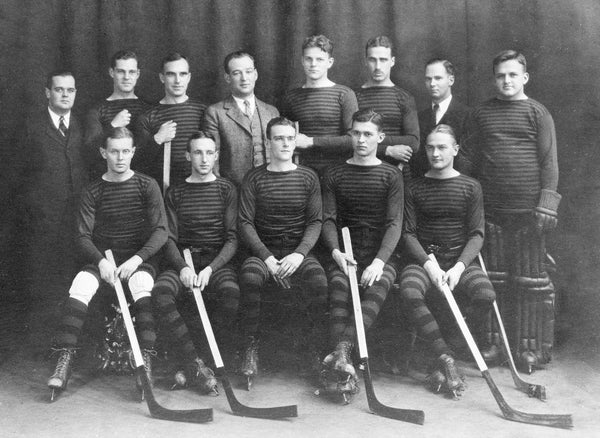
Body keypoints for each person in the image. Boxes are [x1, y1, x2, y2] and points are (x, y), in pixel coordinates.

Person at [47, 127, 167, 399]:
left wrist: (137, 259)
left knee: (141, 283)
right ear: (103, 153)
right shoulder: (93, 190)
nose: (120, 157)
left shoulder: (147, 185)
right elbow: (82, 235)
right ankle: (63, 362)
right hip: (105, 261)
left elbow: (161, 231)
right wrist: (100, 262)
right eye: (114, 151)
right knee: (81, 284)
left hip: (138, 260)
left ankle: (144, 363)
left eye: (126, 151)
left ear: (134, 152)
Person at [459, 50, 560, 372]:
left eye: (513, 75)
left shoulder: (538, 113)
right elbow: (468, 160)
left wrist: (546, 203)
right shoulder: (481, 113)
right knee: (494, 281)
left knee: (529, 282)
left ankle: (529, 350)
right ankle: (493, 344)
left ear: (524, 77)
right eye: (501, 75)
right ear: (494, 78)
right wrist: (465, 199)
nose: (506, 81)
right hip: (491, 211)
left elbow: (549, 162)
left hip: (530, 214)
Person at [398, 124, 495, 397]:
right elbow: (407, 233)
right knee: (409, 290)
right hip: (423, 260)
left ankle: (447, 347)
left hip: (457, 261)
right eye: (430, 147)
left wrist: (459, 266)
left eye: (442, 147)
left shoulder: (470, 186)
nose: (435, 153)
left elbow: (477, 234)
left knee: (486, 294)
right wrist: (428, 264)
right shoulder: (414, 187)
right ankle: (444, 355)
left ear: (455, 149)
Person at [238, 117, 328, 387]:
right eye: (278, 138)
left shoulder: (308, 176)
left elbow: (315, 222)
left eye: (290, 138)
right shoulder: (254, 177)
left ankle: (313, 350)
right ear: (268, 142)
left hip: (296, 252)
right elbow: (245, 222)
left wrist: (299, 254)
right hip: (262, 252)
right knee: (251, 278)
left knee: (319, 281)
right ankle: (249, 350)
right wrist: (266, 257)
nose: (285, 143)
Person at [320, 109, 403, 399]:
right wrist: (336, 253)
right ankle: (344, 363)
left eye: (368, 134)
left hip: (381, 254)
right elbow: (328, 219)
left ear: (380, 137)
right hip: (346, 252)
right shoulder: (334, 173)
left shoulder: (391, 174)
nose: (361, 139)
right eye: (356, 133)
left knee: (376, 288)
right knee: (340, 288)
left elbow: (395, 223)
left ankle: (341, 354)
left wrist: (380, 262)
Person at [152, 132, 239, 394]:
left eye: (209, 153)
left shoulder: (226, 189)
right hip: (184, 260)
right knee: (162, 292)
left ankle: (199, 363)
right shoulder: (175, 192)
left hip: (216, 261)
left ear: (215, 155)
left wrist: (211, 268)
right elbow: (169, 239)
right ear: (188, 156)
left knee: (231, 294)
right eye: (198, 153)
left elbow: (233, 238)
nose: (204, 159)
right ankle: (194, 363)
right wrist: (183, 268)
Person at [17, 70, 88, 309]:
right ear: (48, 92)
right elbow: (15, 177)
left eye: (70, 90)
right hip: (41, 223)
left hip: (76, 220)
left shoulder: (82, 125)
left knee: (73, 281)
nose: (65, 95)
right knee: (43, 285)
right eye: (59, 89)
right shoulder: (29, 127)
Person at [280, 35, 358, 174]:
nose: (313, 64)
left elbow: (353, 140)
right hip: (301, 172)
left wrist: (312, 141)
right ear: (302, 61)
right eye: (309, 59)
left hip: (339, 172)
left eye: (320, 59)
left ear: (330, 62)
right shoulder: (291, 97)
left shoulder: (345, 94)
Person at [203, 51, 279, 186]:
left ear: (255, 74)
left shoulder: (272, 112)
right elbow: (212, 160)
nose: (244, 78)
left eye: (248, 71)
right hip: (233, 190)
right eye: (237, 73)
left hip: (269, 188)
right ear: (227, 78)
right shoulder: (215, 113)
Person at [136, 52, 206, 188]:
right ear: (162, 77)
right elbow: (139, 164)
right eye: (171, 74)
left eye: (183, 74)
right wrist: (157, 139)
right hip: (165, 191)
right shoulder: (147, 117)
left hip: (200, 189)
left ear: (189, 77)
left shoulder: (204, 111)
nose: (177, 80)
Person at [355, 36, 419, 177]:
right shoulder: (353, 96)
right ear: (366, 61)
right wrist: (388, 150)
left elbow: (413, 142)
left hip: (398, 171)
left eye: (383, 60)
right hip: (361, 172)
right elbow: (349, 140)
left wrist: (371, 142)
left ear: (392, 61)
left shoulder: (405, 97)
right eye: (372, 60)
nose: (378, 66)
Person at [85, 50, 151, 179]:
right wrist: (113, 125)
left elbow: (150, 154)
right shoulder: (97, 110)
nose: (126, 77)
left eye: (131, 72)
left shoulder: (148, 109)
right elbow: (90, 152)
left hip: (142, 183)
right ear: (112, 72)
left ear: (137, 74)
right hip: (107, 183)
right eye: (121, 71)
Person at [412, 59, 471, 177]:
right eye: (428, 79)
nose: (432, 83)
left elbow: (468, 160)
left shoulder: (468, 115)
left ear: (451, 80)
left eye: (438, 78)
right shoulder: (419, 117)